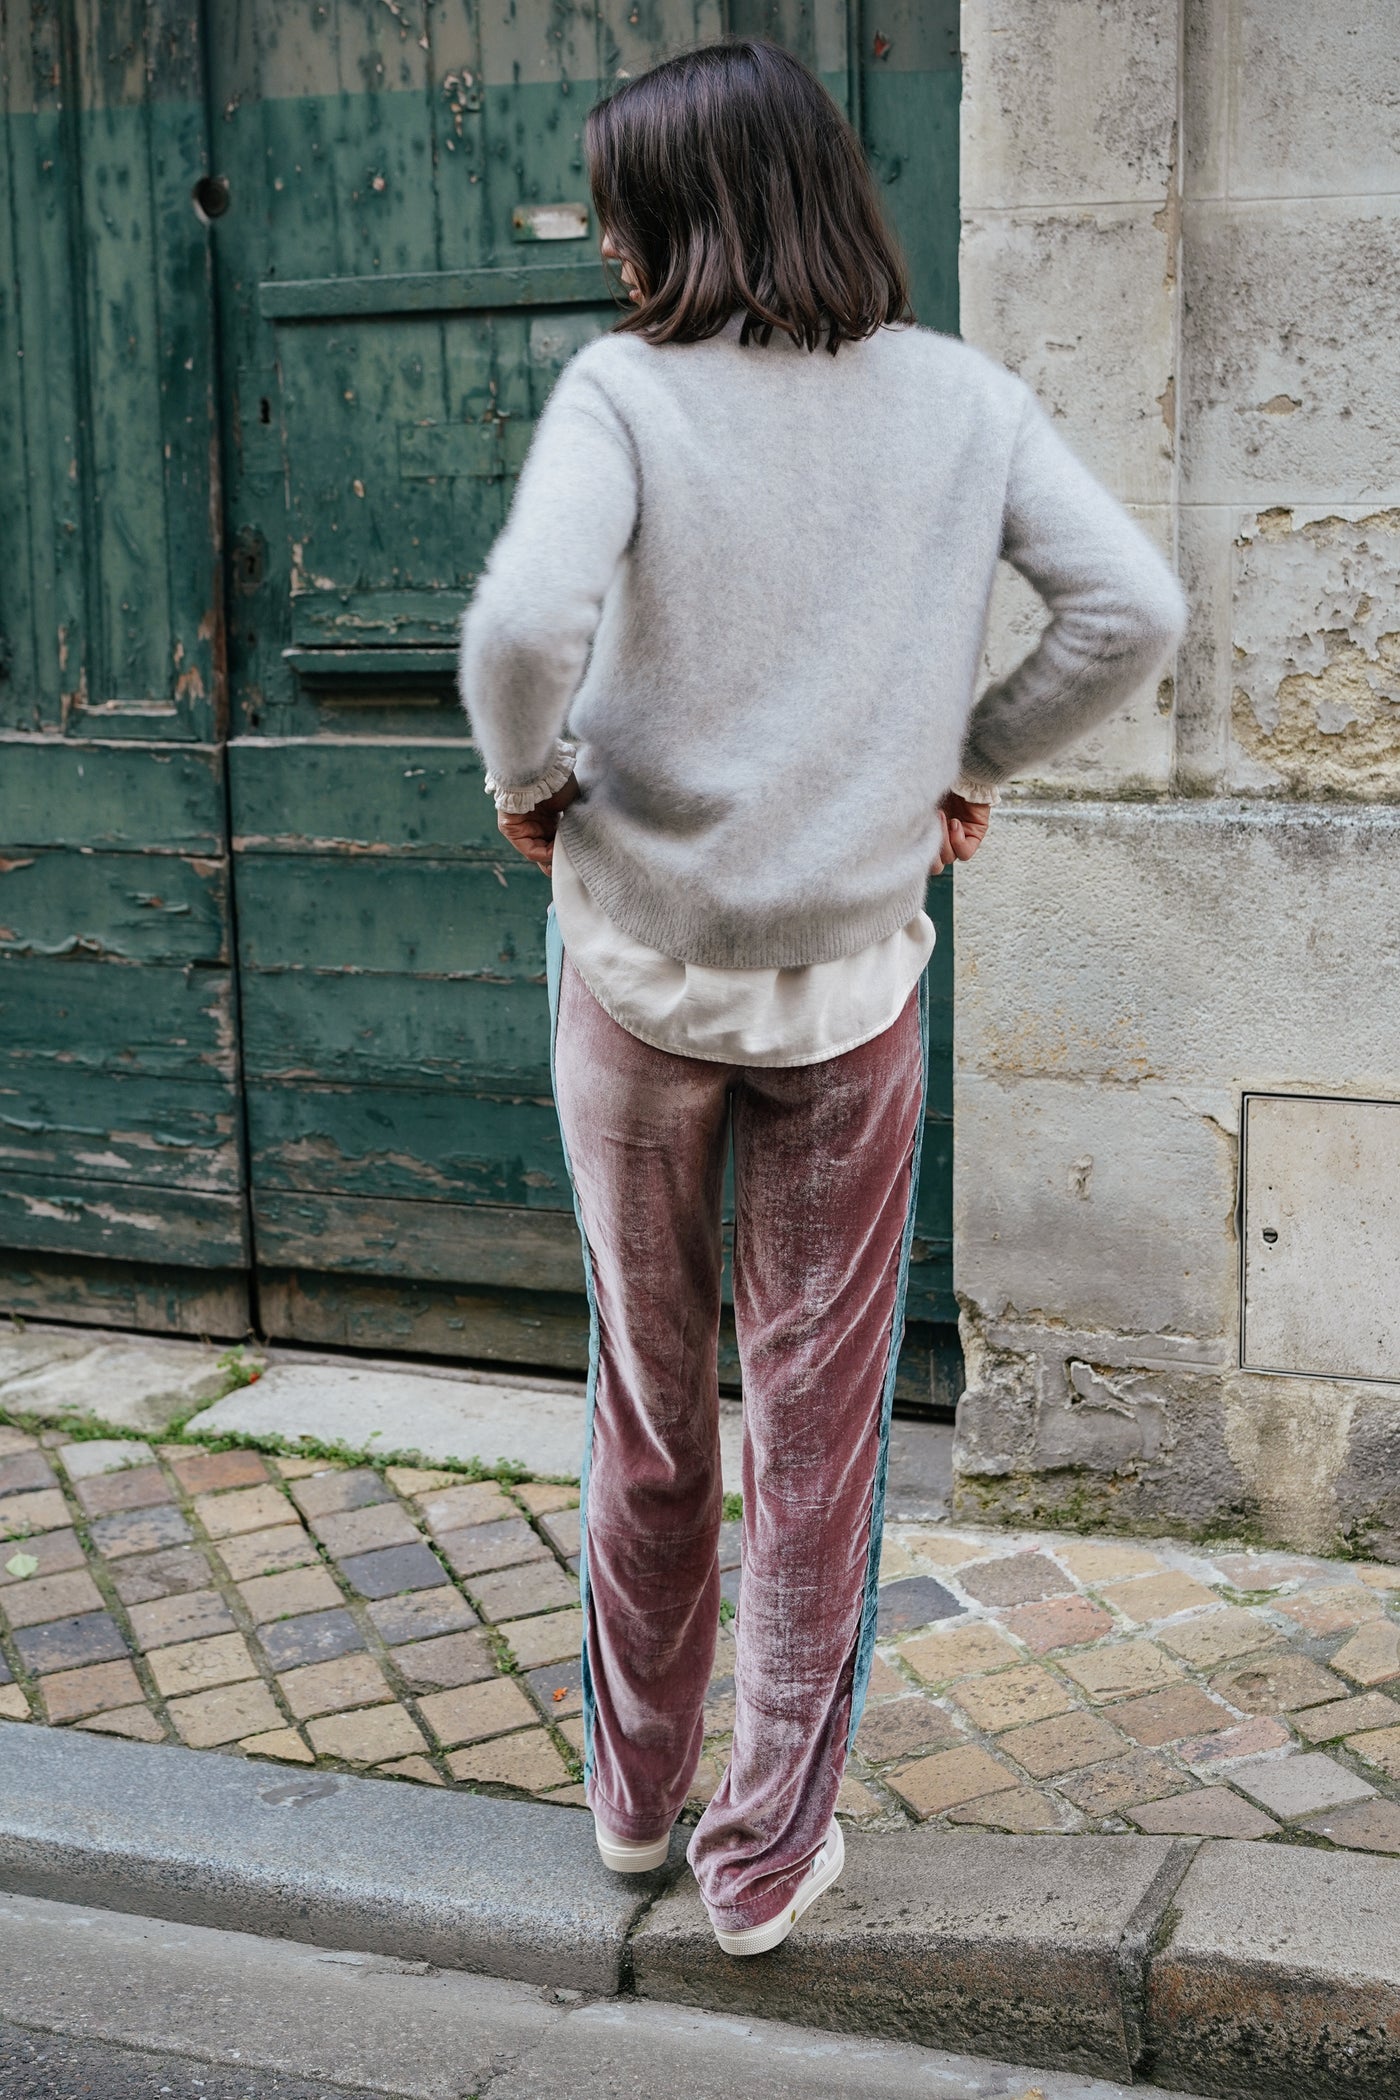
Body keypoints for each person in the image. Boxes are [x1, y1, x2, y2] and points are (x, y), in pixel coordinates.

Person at [459, 38, 1185, 1957]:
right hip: (852, 988)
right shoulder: (963, 400)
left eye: (620, 209)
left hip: (635, 971)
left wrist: (531, 783)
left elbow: (521, 625)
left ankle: (634, 1800)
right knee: (819, 1425)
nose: (607, 244)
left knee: (651, 1395)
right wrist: (969, 760)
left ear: (680, 214)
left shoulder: (625, 393)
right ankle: (766, 1857)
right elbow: (1133, 612)